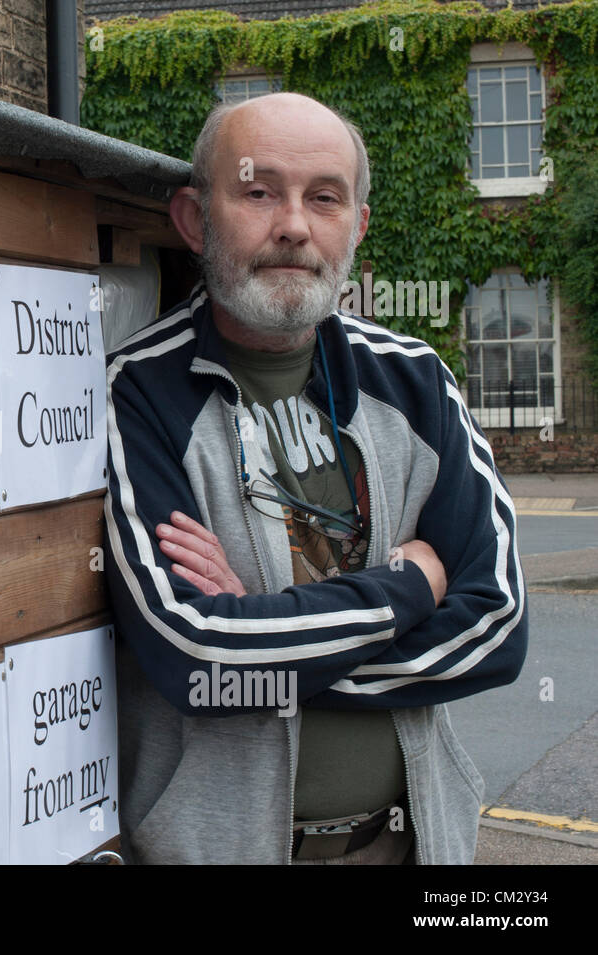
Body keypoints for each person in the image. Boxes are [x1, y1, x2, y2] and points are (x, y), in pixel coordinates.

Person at [103, 92, 527, 864]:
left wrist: (265, 629)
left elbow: (495, 627)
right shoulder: (136, 394)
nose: (294, 224)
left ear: (355, 226)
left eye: (324, 197)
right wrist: (412, 587)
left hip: (415, 846)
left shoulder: (415, 383)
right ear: (197, 219)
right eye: (259, 191)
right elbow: (197, 661)